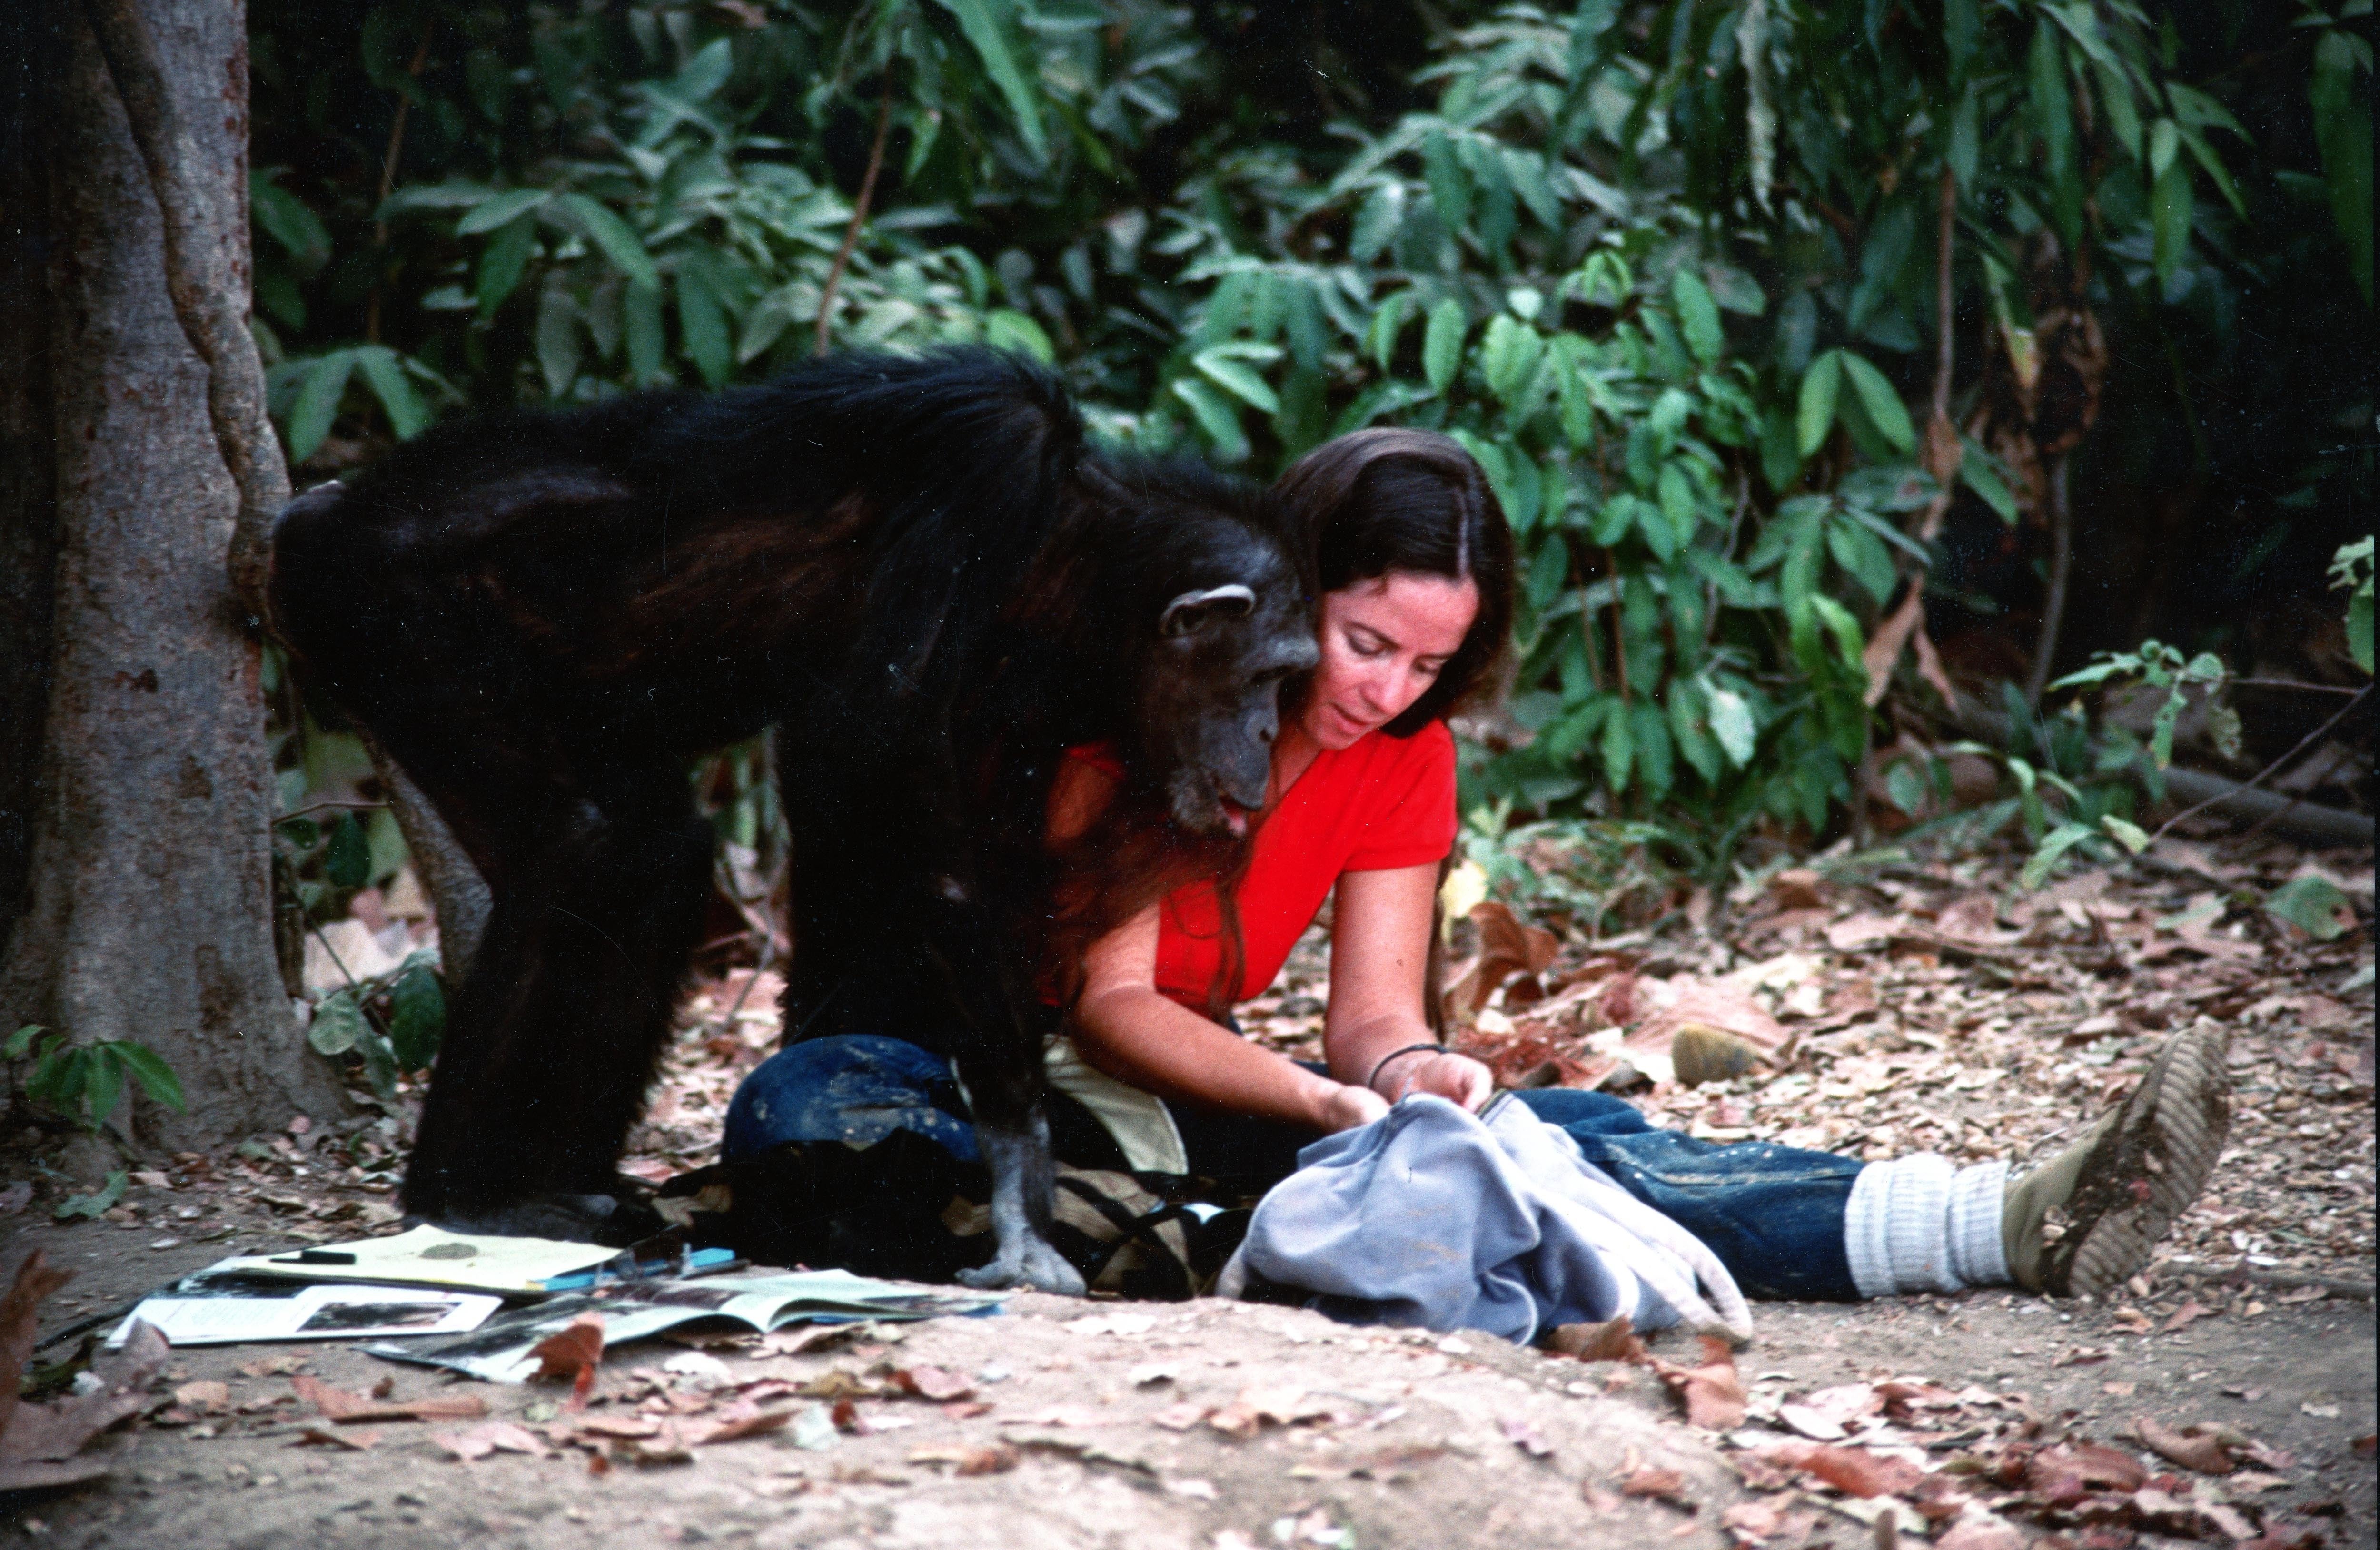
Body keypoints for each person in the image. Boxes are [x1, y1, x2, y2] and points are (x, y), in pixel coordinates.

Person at [725, 428, 2229, 1305]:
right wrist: (1328, 1108)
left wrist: (1413, 1075)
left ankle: (1999, 1219)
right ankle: (1232, 1243)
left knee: (1542, 1131)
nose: (1383, 688)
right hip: (1005, 1082)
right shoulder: (1173, 680)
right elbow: (1111, 999)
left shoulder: (1404, 751)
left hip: (1183, 1116)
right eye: (1363, 641)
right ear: (1289, 585)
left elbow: (1371, 1018)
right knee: (814, 1114)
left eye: (1426, 663)